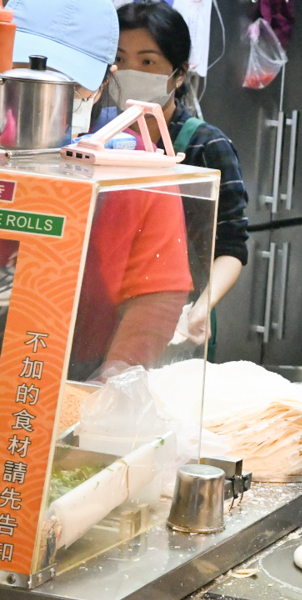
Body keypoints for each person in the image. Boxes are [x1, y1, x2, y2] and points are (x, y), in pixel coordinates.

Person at [6, 0, 194, 380]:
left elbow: (157, 293)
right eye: (22, 72)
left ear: (104, 84)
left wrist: (107, 393)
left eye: (71, 83)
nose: (44, 94)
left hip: (72, 370)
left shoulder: (133, 166)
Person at [114, 0, 249, 352]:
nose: (130, 72)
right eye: (120, 60)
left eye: (147, 62)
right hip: (108, 317)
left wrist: (201, 309)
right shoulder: (101, 140)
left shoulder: (207, 144)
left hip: (177, 323)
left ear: (178, 74)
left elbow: (232, 246)